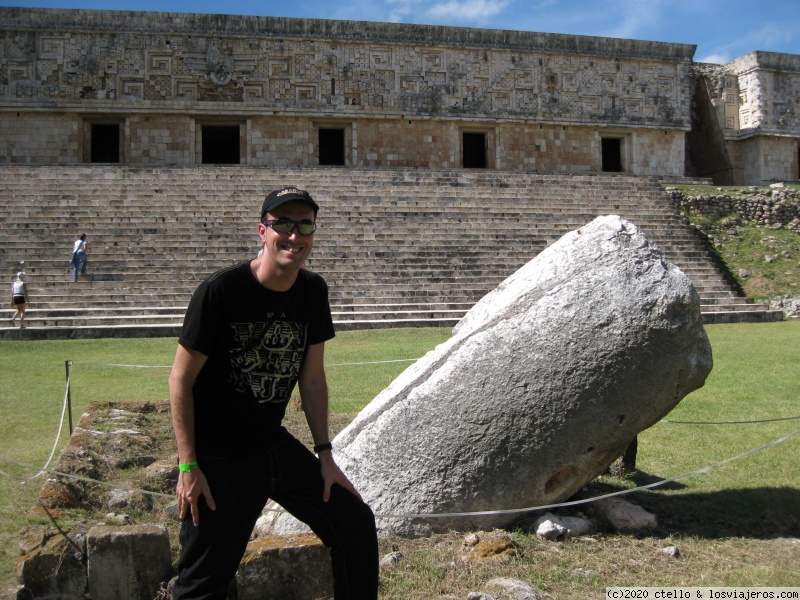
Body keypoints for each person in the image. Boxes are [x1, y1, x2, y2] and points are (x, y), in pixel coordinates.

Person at [169, 186, 379, 600]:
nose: (294, 236)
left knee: (353, 522)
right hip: (220, 456)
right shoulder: (220, 291)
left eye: (304, 225)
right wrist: (189, 466)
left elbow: (313, 378)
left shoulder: (313, 291)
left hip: (271, 445)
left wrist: (325, 455)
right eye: (283, 224)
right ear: (262, 231)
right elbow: (180, 380)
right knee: (202, 584)